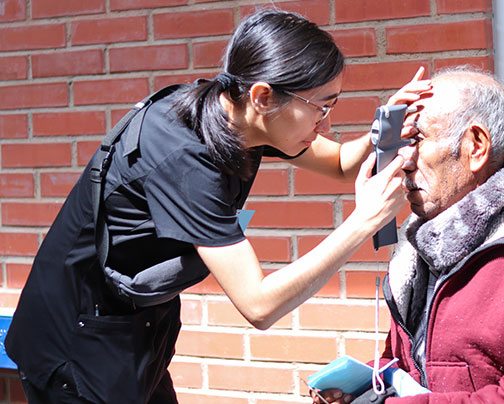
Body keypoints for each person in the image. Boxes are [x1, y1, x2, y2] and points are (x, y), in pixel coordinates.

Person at [6, 9, 431, 404]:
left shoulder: (236, 113)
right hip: (75, 343)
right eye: (321, 107)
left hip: (136, 327)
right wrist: (363, 223)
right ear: (263, 97)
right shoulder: (186, 161)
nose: (327, 124)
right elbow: (258, 305)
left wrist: (387, 125)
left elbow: (340, 163)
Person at [312, 67, 504, 404]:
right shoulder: (420, 247)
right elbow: (407, 365)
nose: (403, 161)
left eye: (414, 140)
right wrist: (358, 388)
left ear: (476, 146)